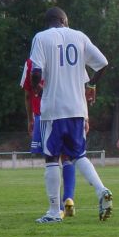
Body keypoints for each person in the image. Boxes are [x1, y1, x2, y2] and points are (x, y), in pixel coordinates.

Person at [29, 7, 113, 223]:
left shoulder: (41, 37)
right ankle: (101, 191)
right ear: (64, 20)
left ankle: (53, 211)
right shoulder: (79, 36)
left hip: (53, 109)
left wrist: (37, 88)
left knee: (51, 158)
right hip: (77, 108)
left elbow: (35, 71)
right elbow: (103, 63)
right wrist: (92, 85)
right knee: (78, 155)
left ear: (49, 22)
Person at [20, 58, 79, 217]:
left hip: (43, 114)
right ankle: (69, 198)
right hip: (68, 113)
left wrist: (30, 119)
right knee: (67, 157)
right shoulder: (62, 58)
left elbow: (27, 94)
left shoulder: (31, 63)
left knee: (51, 159)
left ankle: (57, 208)